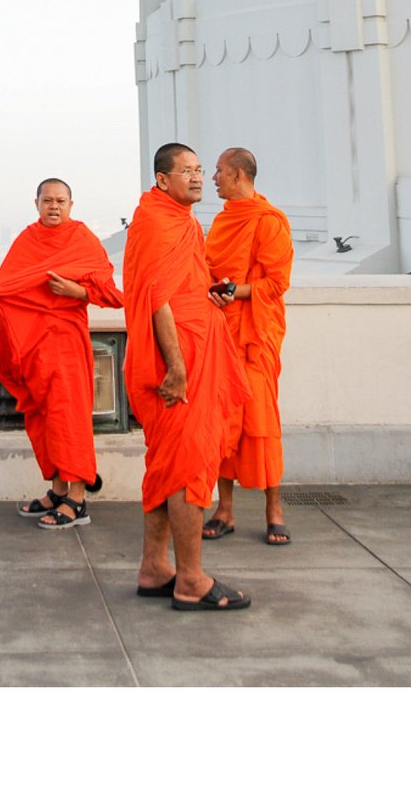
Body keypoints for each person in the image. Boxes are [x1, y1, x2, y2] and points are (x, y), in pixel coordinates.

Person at [123, 143, 249, 611]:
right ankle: (191, 579)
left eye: (200, 171)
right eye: (187, 172)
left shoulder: (184, 223)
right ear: (162, 180)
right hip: (176, 367)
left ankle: (155, 568)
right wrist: (176, 368)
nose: (197, 178)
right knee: (188, 468)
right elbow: (156, 298)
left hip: (194, 351)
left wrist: (207, 294)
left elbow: (181, 287)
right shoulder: (157, 221)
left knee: (166, 467)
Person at [0, 178, 123, 528]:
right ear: (36, 203)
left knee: (69, 418)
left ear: (71, 204)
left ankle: (78, 499)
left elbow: (109, 293)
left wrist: (76, 291)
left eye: (60, 201)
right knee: (43, 418)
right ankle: (57, 491)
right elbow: (9, 286)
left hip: (67, 342)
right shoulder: (28, 240)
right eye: (47, 201)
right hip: (34, 346)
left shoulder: (82, 240)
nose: (54, 207)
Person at [206, 147, 295, 544]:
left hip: (254, 335)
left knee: (261, 421)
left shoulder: (268, 221)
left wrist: (234, 291)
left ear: (239, 174)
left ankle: (273, 509)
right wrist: (217, 292)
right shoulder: (223, 221)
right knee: (223, 422)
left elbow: (276, 284)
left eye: (219, 171)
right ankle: (224, 511)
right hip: (223, 332)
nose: (213, 178)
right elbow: (209, 271)